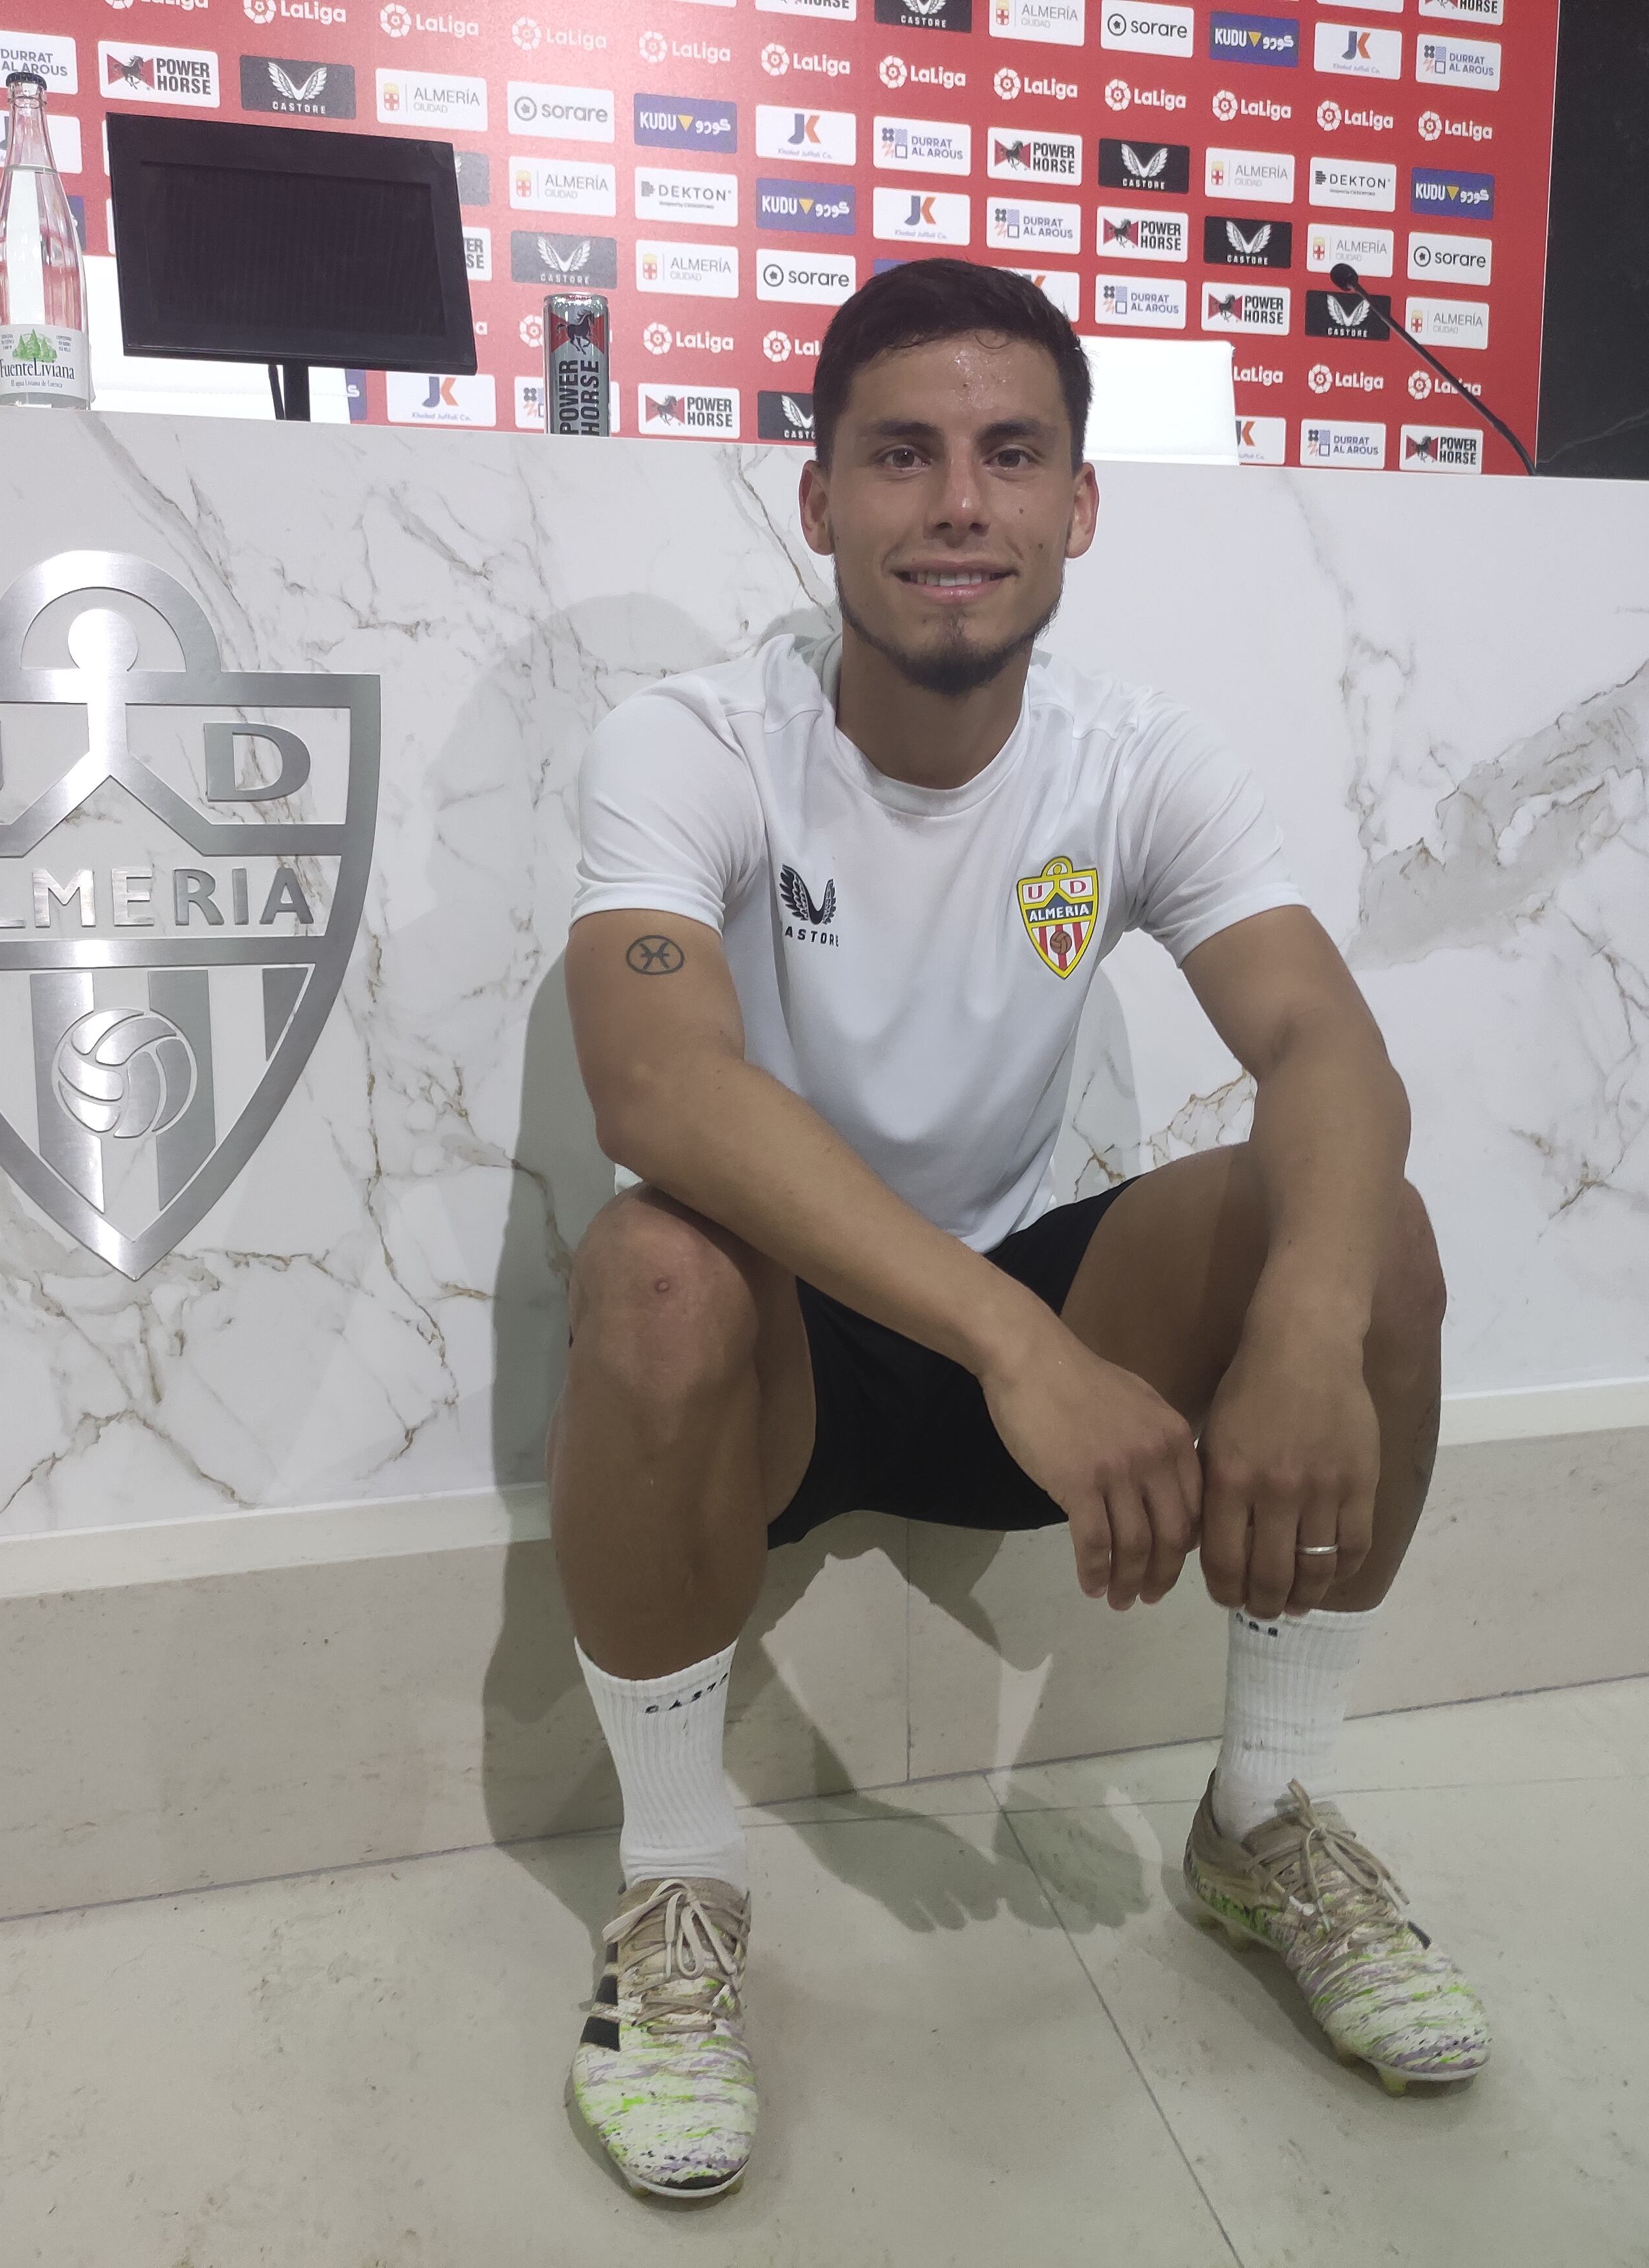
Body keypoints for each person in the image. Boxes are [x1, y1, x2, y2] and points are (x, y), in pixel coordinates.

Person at [550, 257, 1489, 2201]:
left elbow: (1324, 1041)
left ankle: (1266, 1820)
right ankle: (674, 1891)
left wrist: (1306, 1329)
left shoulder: (1136, 757)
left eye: (1007, 456)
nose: (954, 505)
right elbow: (655, 1089)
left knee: (1368, 1235)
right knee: (653, 1264)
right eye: (899, 456)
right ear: (819, 503)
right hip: (806, 1347)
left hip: (1022, 1320)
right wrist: (1019, 1345)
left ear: (1078, 505)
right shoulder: (693, 739)